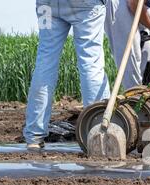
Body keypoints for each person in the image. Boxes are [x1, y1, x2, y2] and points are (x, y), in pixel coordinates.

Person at [24, 0, 110, 151]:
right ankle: (98, 133)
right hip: (86, 5)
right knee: (91, 63)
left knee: (45, 60)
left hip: (47, 4)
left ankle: (34, 137)